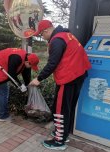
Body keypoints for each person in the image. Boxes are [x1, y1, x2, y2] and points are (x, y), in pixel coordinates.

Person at [29, 20, 91, 150]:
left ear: (45, 31)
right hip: (78, 75)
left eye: (41, 35)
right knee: (67, 108)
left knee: (60, 110)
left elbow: (52, 63)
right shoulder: (67, 35)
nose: (43, 37)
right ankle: (63, 134)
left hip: (68, 78)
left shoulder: (57, 40)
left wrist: (39, 79)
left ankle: (59, 141)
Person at [0, 48, 39, 121]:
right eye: (31, 66)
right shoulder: (17, 58)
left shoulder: (25, 59)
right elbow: (11, 74)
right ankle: (3, 116)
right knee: (3, 92)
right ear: (28, 62)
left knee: (0, 91)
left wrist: (28, 86)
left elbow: (26, 75)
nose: (31, 68)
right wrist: (20, 85)